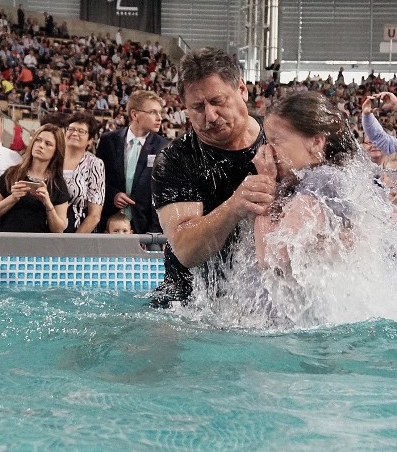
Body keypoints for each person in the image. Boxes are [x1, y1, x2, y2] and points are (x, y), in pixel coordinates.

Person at [151, 47, 276, 305]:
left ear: (242, 89)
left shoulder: (278, 139)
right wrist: (234, 206)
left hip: (262, 303)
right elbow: (185, 249)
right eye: (197, 107)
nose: (210, 116)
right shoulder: (176, 160)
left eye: (218, 101)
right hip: (188, 305)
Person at [253, 91, 361, 269]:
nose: (268, 151)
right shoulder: (314, 179)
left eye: (276, 141)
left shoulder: (322, 179)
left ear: (316, 142)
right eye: (267, 141)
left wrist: (266, 183)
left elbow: (274, 256)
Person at [96, 90, 169, 233]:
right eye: (153, 112)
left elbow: (162, 193)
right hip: (110, 226)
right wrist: (114, 195)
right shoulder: (108, 141)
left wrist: (154, 232)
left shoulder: (164, 147)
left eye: (160, 112)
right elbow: (99, 181)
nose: (159, 118)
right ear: (135, 114)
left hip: (145, 228)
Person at [0, 124, 69, 233]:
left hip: (40, 246)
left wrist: (48, 205)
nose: (41, 145)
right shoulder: (12, 174)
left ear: (56, 151)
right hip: (8, 244)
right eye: (38, 140)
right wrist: (12, 198)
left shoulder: (58, 184)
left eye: (48, 144)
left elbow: (59, 230)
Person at [62, 112, 105, 233]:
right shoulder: (53, 158)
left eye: (81, 131)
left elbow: (94, 215)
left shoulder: (95, 164)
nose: (74, 133)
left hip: (78, 233)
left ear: (90, 141)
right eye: (71, 129)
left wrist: (74, 244)